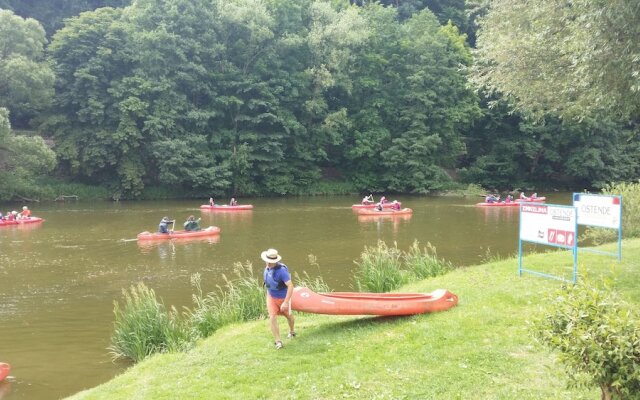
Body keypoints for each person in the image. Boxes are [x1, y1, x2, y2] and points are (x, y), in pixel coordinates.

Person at [261, 248, 295, 350]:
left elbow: (290, 286)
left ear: (275, 261)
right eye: (267, 261)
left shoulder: (282, 271)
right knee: (272, 317)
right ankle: (278, 341)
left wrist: (285, 302)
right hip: (271, 296)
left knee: (289, 317)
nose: (268, 263)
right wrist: (268, 294)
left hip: (282, 298)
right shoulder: (267, 268)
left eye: (270, 262)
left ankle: (292, 331)